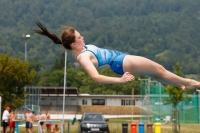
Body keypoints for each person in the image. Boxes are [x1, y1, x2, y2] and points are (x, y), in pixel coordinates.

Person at [33, 21, 200, 91]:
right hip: (121, 62)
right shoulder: (83, 57)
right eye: (79, 37)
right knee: (159, 68)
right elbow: (96, 78)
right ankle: (192, 82)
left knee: (156, 73)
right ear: (74, 44)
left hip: (121, 60)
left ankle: (177, 84)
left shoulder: (82, 49)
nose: (82, 37)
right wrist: (119, 81)